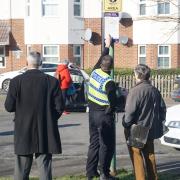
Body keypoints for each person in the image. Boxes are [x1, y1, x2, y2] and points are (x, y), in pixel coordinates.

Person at [4, 51, 64, 180]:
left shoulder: (16, 81)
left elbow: (9, 106)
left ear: (26, 63)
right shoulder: (52, 82)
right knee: (45, 167)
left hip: (23, 129)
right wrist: (49, 119)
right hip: (45, 129)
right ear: (41, 64)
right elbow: (59, 107)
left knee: (21, 169)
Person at [122, 64, 167, 180]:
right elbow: (163, 109)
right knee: (150, 156)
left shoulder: (135, 91)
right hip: (151, 127)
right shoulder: (154, 90)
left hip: (138, 128)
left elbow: (129, 113)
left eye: (134, 73)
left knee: (137, 157)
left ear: (137, 75)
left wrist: (126, 124)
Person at [86, 35, 117, 180]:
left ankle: (90, 172)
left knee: (94, 143)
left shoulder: (94, 71)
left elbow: (101, 57)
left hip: (91, 114)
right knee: (107, 145)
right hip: (103, 116)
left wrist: (107, 45)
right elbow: (113, 102)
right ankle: (104, 173)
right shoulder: (109, 82)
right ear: (111, 67)